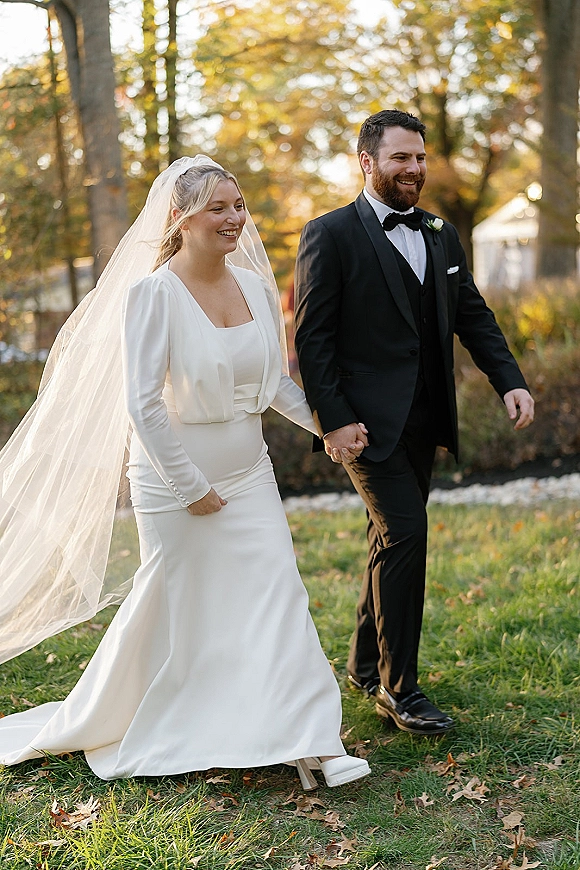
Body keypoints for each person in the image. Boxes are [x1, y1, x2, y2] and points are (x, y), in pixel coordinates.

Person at [0, 156, 370, 790]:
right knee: (176, 606)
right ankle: (142, 712)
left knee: (280, 597)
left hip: (250, 472)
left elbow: (274, 382)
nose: (234, 219)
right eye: (218, 208)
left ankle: (312, 738)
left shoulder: (255, 287)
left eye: (237, 206)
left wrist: (327, 427)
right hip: (174, 481)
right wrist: (189, 485)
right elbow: (142, 402)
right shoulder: (153, 294)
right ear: (181, 218)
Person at [294, 110, 534, 736]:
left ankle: (366, 663)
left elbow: (473, 315)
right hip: (365, 427)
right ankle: (400, 691)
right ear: (367, 162)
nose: (415, 169)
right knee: (406, 534)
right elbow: (314, 338)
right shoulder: (330, 234)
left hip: (426, 419)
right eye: (401, 158)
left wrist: (509, 379)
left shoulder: (439, 233)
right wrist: (333, 420)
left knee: (389, 536)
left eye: (420, 157)